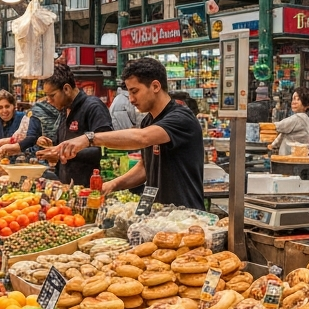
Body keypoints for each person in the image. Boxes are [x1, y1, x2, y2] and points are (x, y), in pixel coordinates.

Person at [47, 57, 204, 209]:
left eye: (134, 91)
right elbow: (145, 167)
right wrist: (114, 184)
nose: (131, 99)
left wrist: (89, 138)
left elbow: (143, 138)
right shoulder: (148, 121)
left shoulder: (181, 118)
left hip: (186, 214)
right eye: (129, 92)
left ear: (155, 86)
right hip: (160, 215)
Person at [33, 64, 114, 185]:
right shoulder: (64, 109)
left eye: (52, 95)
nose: (48, 101)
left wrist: (61, 153)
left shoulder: (93, 107)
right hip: (66, 185)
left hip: (89, 187)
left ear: (66, 89)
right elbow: (64, 143)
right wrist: (51, 146)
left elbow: (105, 148)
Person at [0, 90, 42, 161]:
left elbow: (33, 144)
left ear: (14, 106)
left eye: (7, 106)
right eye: (0, 108)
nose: (4, 110)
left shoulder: (24, 119)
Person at [269, 87, 309, 156]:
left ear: (306, 104)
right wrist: (273, 145)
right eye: (293, 99)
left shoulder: (298, 118)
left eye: (298, 99)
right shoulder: (304, 117)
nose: (294, 102)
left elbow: (278, 126)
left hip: (292, 156)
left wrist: (261, 126)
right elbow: (283, 133)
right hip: (293, 155)